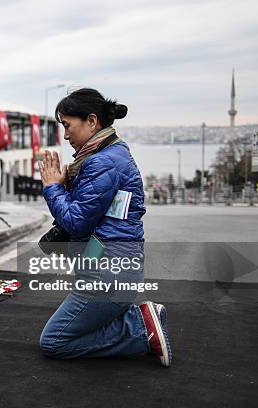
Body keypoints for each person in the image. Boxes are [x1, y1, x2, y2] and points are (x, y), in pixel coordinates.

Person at [38, 88, 172, 367]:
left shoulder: (103, 162)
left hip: (107, 274)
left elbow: (75, 220)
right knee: (71, 330)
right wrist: (64, 187)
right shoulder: (109, 155)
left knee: (54, 341)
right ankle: (141, 320)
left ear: (91, 121)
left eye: (67, 126)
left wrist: (52, 188)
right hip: (113, 269)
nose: (65, 135)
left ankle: (140, 328)